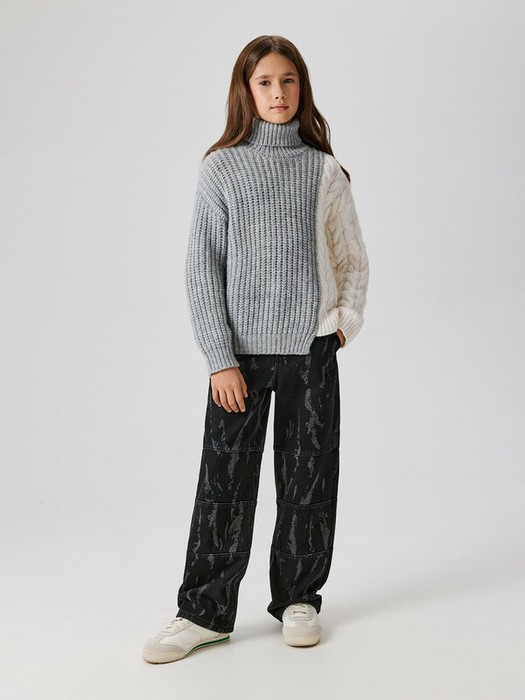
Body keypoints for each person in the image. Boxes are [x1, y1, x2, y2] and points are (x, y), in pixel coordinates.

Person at [143, 34, 369, 664]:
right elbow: (201, 268)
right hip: (238, 360)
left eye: (288, 80)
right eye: (265, 81)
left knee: (308, 480)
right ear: (246, 90)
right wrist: (219, 358)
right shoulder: (221, 168)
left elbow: (351, 257)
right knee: (224, 485)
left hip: (311, 352)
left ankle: (298, 598)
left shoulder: (324, 170)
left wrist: (342, 325)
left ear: (302, 87)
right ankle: (203, 612)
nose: (278, 92)